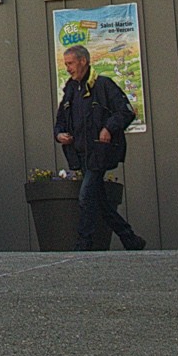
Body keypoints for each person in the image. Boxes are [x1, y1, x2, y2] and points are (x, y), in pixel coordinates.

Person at [54, 44, 146, 251]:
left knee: (86, 195)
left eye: (70, 63)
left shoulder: (104, 85)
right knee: (101, 202)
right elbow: (60, 120)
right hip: (80, 154)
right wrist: (60, 134)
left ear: (83, 61)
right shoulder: (70, 89)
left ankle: (83, 243)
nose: (67, 68)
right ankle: (130, 238)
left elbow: (126, 111)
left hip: (99, 153)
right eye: (66, 64)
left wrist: (108, 128)